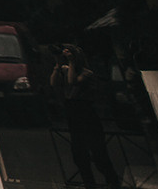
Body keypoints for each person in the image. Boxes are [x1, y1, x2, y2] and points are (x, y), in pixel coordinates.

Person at [51, 44, 121, 189]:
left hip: (86, 113)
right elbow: (53, 83)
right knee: (79, 154)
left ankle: (112, 181)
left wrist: (70, 62)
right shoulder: (65, 70)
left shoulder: (87, 73)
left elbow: (72, 81)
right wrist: (58, 64)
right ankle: (89, 183)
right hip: (73, 112)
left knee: (98, 153)